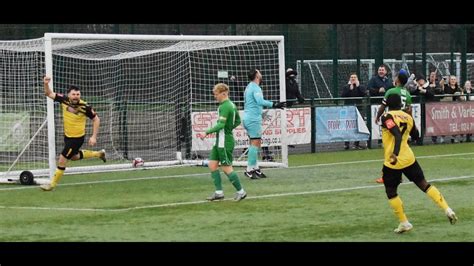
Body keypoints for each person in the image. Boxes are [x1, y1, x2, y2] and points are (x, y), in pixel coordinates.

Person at [380, 93, 458, 233]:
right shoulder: (408, 117)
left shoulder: (386, 116)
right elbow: (416, 136)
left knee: (391, 191)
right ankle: (447, 209)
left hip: (393, 161)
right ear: (400, 104)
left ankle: (404, 222)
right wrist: (412, 120)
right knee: (424, 184)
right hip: (409, 158)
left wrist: (395, 154)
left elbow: (397, 134)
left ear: (388, 105)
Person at [40, 76, 106, 191]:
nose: (76, 97)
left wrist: (94, 137)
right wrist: (46, 83)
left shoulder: (85, 107)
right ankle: (99, 154)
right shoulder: (63, 99)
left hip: (77, 138)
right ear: (69, 95)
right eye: (74, 94)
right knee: (74, 157)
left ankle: (52, 184)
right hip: (67, 136)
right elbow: (49, 93)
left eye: (78, 94)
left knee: (62, 159)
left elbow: (96, 119)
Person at [201, 83, 246, 201]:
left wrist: (206, 132)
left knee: (226, 168)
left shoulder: (225, 106)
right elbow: (237, 121)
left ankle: (241, 191)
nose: (215, 97)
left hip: (224, 141)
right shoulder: (231, 105)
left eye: (216, 94)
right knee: (212, 165)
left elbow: (221, 124)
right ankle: (219, 192)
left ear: (224, 93)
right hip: (219, 141)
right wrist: (229, 128)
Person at [243, 68, 285, 179]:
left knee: (255, 143)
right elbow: (260, 101)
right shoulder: (255, 87)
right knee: (254, 143)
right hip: (252, 119)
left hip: (249, 118)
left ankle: (255, 168)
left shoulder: (249, 87)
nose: (261, 73)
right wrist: (274, 104)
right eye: (259, 72)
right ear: (257, 76)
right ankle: (249, 169)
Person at [374, 69, 412, 184]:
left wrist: (378, 116)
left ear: (398, 80)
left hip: (392, 120)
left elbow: (383, 106)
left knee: (389, 148)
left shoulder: (391, 91)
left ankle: (386, 176)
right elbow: (409, 110)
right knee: (400, 148)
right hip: (403, 122)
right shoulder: (408, 94)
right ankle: (398, 176)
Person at [341, 73, 367, 150]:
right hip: (348, 109)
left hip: (359, 109)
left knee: (359, 126)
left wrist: (358, 87)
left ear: (357, 78)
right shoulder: (346, 87)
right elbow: (343, 95)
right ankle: (346, 143)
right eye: (351, 77)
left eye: (354, 77)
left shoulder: (361, 87)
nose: (353, 78)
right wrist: (350, 89)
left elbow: (364, 94)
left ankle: (356, 143)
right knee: (347, 126)